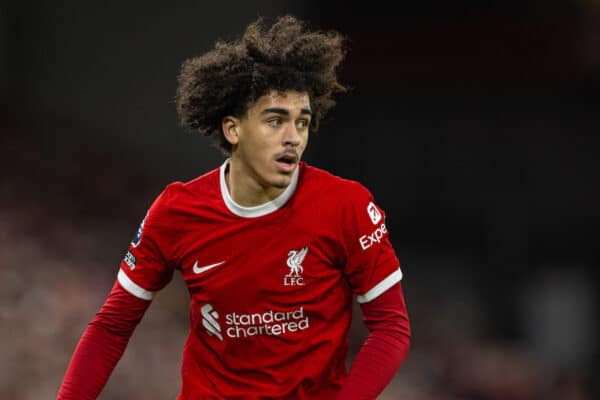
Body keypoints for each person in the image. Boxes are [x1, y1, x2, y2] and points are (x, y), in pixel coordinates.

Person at [57, 15, 410, 399]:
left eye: (302, 122)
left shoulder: (347, 206)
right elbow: (112, 325)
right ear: (233, 129)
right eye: (275, 120)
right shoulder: (177, 211)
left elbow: (391, 327)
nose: (293, 137)